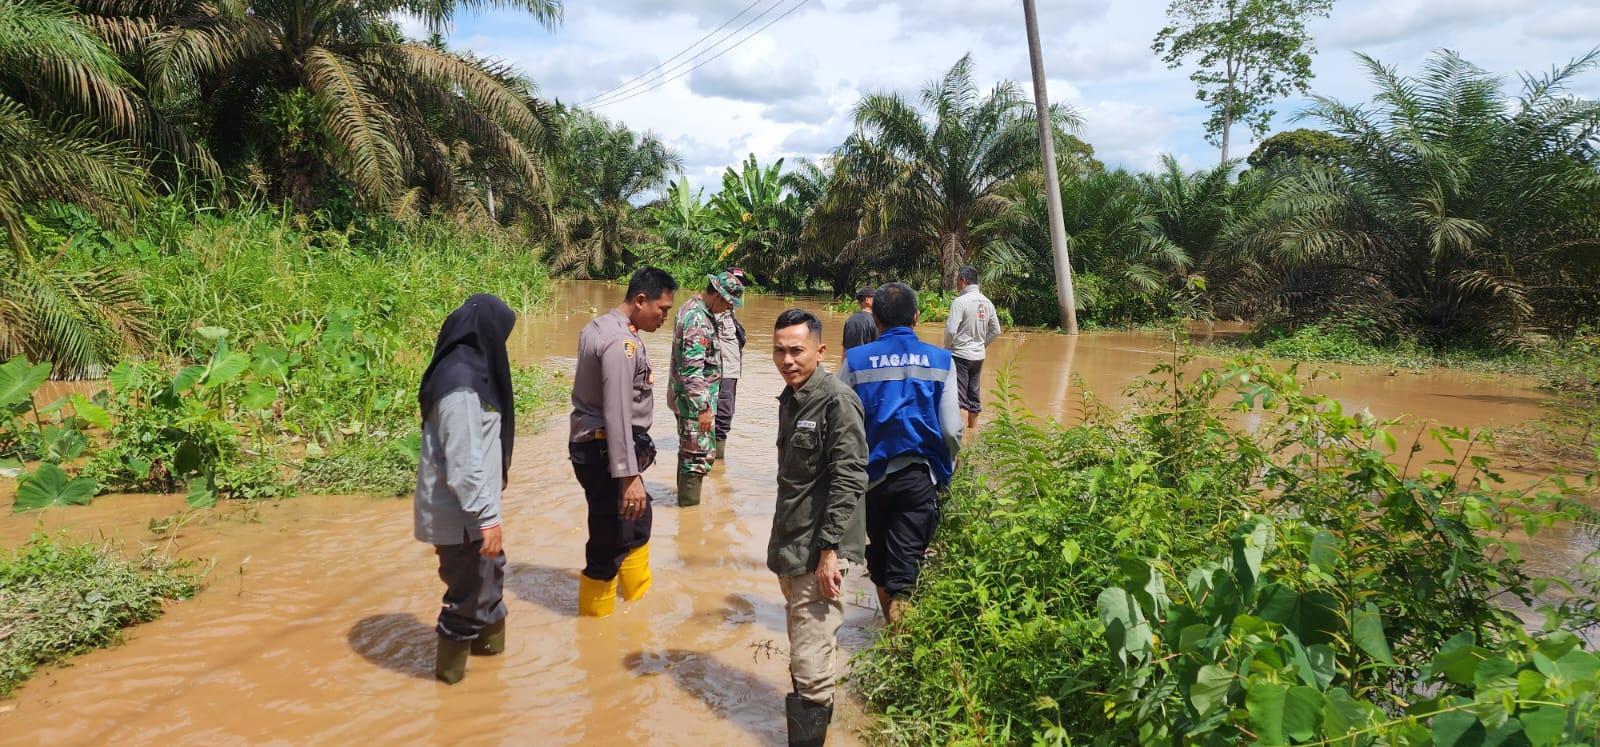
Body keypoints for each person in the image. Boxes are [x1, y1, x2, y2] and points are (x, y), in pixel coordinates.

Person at [768, 309, 868, 747]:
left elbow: (849, 477)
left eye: (796, 350)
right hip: (792, 548)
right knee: (804, 656)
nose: (787, 359)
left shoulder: (836, 400)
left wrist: (830, 552)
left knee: (809, 670)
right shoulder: (791, 400)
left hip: (819, 554)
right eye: (779, 350)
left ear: (820, 351)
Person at [838, 282, 961, 625]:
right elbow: (952, 428)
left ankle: (893, 631)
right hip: (920, 477)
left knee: (879, 561)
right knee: (905, 570)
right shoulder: (941, 360)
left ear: (875, 319)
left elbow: (840, 420)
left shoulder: (856, 361)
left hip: (872, 480)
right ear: (917, 317)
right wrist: (946, 470)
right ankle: (901, 645)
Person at [414, 294, 517, 684]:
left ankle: (492, 682)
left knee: (488, 587)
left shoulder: (473, 374)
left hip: (474, 515)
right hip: (464, 516)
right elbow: (462, 464)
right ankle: (451, 693)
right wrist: (488, 517)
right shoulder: (461, 384)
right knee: (468, 597)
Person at [570, 267, 678, 617]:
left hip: (598, 447)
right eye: (662, 309)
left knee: (632, 525)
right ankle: (597, 628)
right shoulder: (622, 343)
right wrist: (628, 475)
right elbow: (616, 410)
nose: (664, 317)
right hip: (608, 449)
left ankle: (635, 607)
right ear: (641, 299)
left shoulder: (599, 327)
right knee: (610, 539)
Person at [669, 270, 743, 506]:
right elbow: (692, 370)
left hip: (688, 398)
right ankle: (689, 517)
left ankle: (687, 507)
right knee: (696, 457)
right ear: (718, 296)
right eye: (729, 303)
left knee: (691, 452)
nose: (729, 309)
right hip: (694, 403)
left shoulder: (692, 307)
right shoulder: (698, 320)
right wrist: (703, 408)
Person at [944, 266, 1002, 429]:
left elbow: (950, 330)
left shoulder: (960, 302)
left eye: (957, 282)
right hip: (978, 356)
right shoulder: (987, 302)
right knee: (973, 395)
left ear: (963, 281)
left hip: (960, 355)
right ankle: (973, 432)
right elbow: (996, 330)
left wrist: (947, 347)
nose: (956, 285)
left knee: (960, 397)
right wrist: (982, 345)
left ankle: (962, 439)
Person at [712, 268, 751, 460]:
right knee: (722, 415)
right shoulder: (713, 308)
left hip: (731, 370)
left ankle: (718, 461)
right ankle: (717, 462)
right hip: (722, 370)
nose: (739, 286)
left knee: (726, 414)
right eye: (736, 282)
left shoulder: (729, 309)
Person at [841, 287, 878, 351]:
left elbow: (845, 348)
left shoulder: (850, 320)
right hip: (867, 359)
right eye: (875, 298)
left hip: (852, 360)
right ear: (867, 300)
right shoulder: (876, 321)